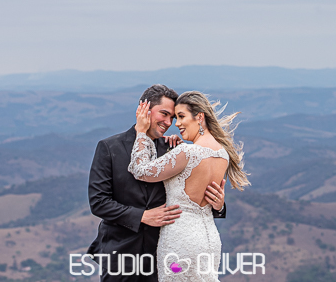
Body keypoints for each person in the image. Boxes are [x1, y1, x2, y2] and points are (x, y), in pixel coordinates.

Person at [87, 85, 227, 282]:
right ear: (144, 109)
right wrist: (142, 216)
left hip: (165, 256)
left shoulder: (174, 149)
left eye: (173, 117)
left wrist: (219, 205)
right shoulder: (109, 147)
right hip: (121, 254)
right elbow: (99, 202)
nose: (169, 123)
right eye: (164, 114)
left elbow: (192, 197)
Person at [128, 90, 249, 282]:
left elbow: (140, 170)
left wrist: (141, 132)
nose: (176, 124)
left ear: (199, 117)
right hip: (209, 240)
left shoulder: (187, 152)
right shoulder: (223, 154)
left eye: (181, 116)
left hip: (180, 240)